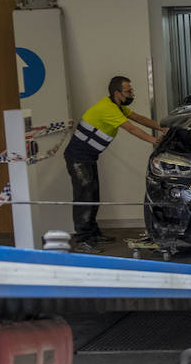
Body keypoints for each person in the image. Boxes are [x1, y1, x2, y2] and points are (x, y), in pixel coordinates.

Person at [64, 75, 166, 252]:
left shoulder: (117, 106)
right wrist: (154, 140)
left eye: (131, 90)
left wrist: (160, 128)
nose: (132, 94)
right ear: (117, 93)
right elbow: (131, 128)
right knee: (85, 197)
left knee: (93, 196)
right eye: (128, 91)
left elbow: (139, 118)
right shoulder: (108, 109)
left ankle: (93, 233)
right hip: (78, 158)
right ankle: (83, 240)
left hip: (87, 158)